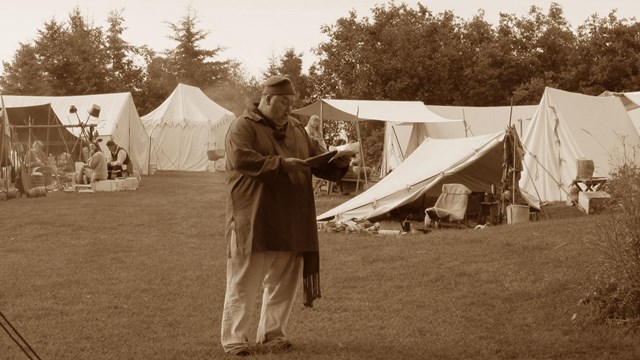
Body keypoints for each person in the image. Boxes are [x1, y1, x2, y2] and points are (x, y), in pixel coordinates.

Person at [221, 76, 350, 356]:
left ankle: (271, 336)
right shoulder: (243, 126)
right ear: (267, 99)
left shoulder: (296, 129)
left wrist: (339, 158)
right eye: (283, 102)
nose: (288, 108)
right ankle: (235, 341)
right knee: (244, 284)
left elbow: (317, 160)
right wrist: (281, 165)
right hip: (254, 218)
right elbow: (242, 159)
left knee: (283, 285)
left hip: (292, 218)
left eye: (291, 102)